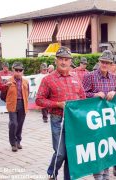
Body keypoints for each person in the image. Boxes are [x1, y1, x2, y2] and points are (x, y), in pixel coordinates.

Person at [36, 46, 86, 179]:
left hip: (73, 121)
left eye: (66, 59)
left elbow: (83, 98)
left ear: (70, 61)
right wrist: (57, 104)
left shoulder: (76, 78)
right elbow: (39, 100)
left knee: (71, 152)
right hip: (57, 119)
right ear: (56, 60)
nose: (63, 62)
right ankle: (52, 173)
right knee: (60, 152)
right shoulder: (48, 79)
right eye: (60, 59)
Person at [83, 50, 116, 180]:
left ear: (111, 65)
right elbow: (82, 95)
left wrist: (114, 93)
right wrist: (94, 94)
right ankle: (98, 175)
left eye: (108, 63)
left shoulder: (115, 77)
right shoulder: (90, 76)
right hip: (94, 119)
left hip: (109, 118)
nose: (105, 64)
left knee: (108, 146)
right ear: (99, 62)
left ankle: (106, 173)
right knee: (97, 148)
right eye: (103, 62)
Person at [2, 62, 29, 152]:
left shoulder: (26, 82)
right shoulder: (8, 81)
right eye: (16, 70)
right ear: (13, 71)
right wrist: (10, 101)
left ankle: (18, 141)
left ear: (23, 71)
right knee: (14, 123)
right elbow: (2, 95)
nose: (18, 72)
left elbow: (27, 93)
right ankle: (13, 143)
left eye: (20, 70)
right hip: (12, 105)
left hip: (22, 104)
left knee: (20, 124)